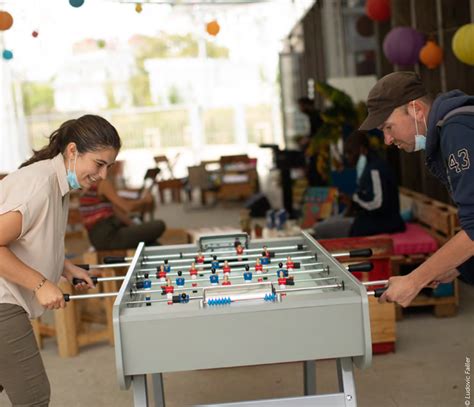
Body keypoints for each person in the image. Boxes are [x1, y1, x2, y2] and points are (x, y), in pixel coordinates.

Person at [0, 114, 121, 406]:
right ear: (72, 151)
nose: (103, 176)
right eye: (99, 164)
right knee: (34, 396)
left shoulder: (59, 184)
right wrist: (40, 283)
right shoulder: (40, 185)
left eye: (109, 166)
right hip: (3, 303)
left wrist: (64, 267)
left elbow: (32, 236)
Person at [359, 71, 474, 307]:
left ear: (416, 110)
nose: (387, 140)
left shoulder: (457, 132)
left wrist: (414, 280)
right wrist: (457, 266)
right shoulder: (453, 128)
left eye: (388, 127)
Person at [313, 131, 405, 239]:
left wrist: (353, 199)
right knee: (325, 223)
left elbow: (377, 203)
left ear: (361, 149)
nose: (348, 157)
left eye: (350, 153)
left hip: (383, 224)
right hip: (369, 220)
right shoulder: (370, 166)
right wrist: (352, 202)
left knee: (319, 229)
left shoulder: (375, 169)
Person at [79, 175, 166, 250]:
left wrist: (136, 227)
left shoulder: (87, 185)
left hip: (96, 239)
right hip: (108, 236)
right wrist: (144, 200)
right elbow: (127, 207)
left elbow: (117, 213)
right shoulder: (102, 183)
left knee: (152, 243)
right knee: (159, 225)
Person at [297, 96, 326, 186]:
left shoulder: (315, 116)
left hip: (319, 150)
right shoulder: (313, 115)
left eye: (301, 106)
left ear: (306, 105)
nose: (300, 109)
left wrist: (307, 140)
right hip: (316, 149)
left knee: (315, 174)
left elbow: (319, 134)